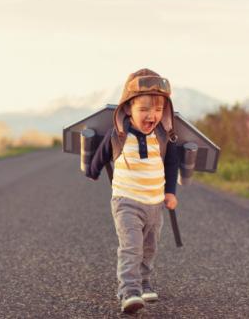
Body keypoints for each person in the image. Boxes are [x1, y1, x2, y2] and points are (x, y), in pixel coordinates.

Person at [85, 68, 179, 314]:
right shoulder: (119, 134)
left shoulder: (163, 136)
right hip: (126, 201)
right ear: (128, 108)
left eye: (158, 109)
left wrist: (170, 192)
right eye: (145, 109)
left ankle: (144, 282)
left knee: (149, 248)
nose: (152, 115)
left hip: (154, 203)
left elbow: (171, 164)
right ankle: (129, 291)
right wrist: (92, 172)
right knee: (131, 246)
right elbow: (102, 154)